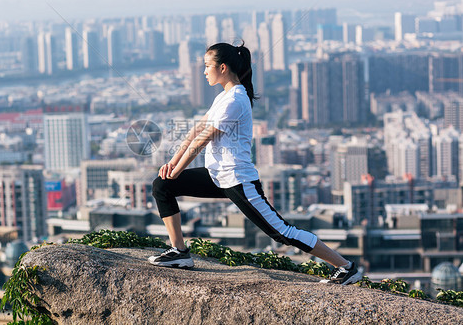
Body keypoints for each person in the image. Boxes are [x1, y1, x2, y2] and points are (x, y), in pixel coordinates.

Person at [148, 42, 362, 285]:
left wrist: (178, 170)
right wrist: (171, 166)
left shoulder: (235, 100)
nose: (204, 71)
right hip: (217, 176)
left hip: (239, 180)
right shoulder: (223, 97)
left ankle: (346, 267)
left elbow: (203, 139)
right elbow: (196, 129)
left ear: (223, 67)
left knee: (281, 233)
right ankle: (180, 253)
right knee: (162, 185)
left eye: (207, 66)